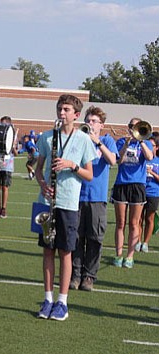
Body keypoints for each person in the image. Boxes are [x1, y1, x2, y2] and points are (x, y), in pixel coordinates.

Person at [34, 94, 96, 321]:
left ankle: (63, 302)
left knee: (65, 251)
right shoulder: (47, 137)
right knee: (47, 250)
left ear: (76, 115)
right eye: (60, 109)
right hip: (47, 201)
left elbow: (89, 175)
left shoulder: (83, 140)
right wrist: (42, 184)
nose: (62, 113)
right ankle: (48, 299)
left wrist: (72, 165)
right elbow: (38, 168)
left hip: (69, 203)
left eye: (67, 110)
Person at [71, 106, 118, 291]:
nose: (90, 124)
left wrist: (97, 142)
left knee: (95, 238)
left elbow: (113, 161)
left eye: (94, 121)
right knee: (76, 238)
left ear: (101, 125)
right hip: (77, 196)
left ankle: (89, 276)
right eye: (88, 120)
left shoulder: (107, 140)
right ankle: (75, 275)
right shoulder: (79, 139)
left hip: (97, 197)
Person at [112, 118, 154, 268]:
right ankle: (118, 255)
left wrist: (141, 140)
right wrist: (126, 143)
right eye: (131, 126)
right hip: (121, 184)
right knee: (120, 223)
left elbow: (149, 157)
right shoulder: (122, 141)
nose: (133, 128)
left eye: (136, 126)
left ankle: (130, 256)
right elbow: (119, 160)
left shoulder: (146, 143)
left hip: (138, 185)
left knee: (134, 223)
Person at [0, 116, 18, 218]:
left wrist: (12, 146)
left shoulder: (13, 136)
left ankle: (4, 209)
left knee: (4, 187)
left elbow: (16, 153)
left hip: (7, 164)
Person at [137, 137, 159, 252]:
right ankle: (138, 241)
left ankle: (146, 242)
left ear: (157, 147)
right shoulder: (143, 159)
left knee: (149, 219)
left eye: (152, 145)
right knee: (138, 219)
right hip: (140, 191)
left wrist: (152, 173)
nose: (150, 147)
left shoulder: (158, 161)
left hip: (153, 193)